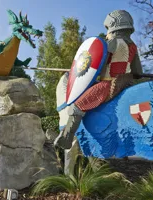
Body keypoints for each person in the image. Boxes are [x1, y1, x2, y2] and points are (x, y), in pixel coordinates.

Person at [54, 10, 143, 149]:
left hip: (109, 84)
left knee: (77, 106)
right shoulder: (133, 47)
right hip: (126, 83)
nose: (107, 31)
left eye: (107, 28)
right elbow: (138, 72)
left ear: (113, 25)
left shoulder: (112, 42)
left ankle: (66, 137)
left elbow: (99, 65)